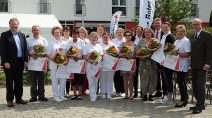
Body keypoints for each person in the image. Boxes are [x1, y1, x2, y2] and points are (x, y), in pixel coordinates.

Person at [0, 18, 28, 107]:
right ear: (9, 25)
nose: (14, 25)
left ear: (18, 25)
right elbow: (2, 50)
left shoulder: (22, 35)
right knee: (9, 81)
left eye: (16, 24)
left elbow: (24, 49)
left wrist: (25, 60)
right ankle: (9, 100)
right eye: (12, 24)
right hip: (9, 63)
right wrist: (5, 61)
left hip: (20, 61)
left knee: (19, 81)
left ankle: (19, 98)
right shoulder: (4, 35)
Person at [190, 18, 212, 114]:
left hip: (203, 65)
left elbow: (210, 51)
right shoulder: (192, 35)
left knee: (200, 86)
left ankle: (199, 106)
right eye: (193, 24)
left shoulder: (207, 35)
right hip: (193, 65)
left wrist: (208, 64)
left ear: (201, 24)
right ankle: (200, 103)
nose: (195, 26)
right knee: (194, 85)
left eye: (197, 24)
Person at [27, 25, 48, 102]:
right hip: (32, 64)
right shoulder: (28, 40)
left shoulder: (44, 40)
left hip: (41, 64)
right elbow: (25, 51)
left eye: (37, 30)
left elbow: (47, 52)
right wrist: (31, 54)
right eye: (34, 30)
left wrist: (39, 55)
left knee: (42, 81)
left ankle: (41, 95)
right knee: (33, 81)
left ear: (40, 31)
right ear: (32, 31)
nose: (36, 31)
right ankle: (33, 96)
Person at [47, 26, 68, 102]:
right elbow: (48, 54)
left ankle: (61, 95)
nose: (57, 33)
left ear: (61, 33)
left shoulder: (65, 43)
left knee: (63, 80)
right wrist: (56, 60)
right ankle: (55, 96)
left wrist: (66, 61)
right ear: (53, 34)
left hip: (63, 65)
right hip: (54, 65)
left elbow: (66, 54)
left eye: (59, 32)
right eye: (56, 32)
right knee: (55, 80)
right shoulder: (51, 43)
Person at [137, 28, 158, 101]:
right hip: (143, 63)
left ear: (151, 33)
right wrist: (140, 56)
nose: (147, 34)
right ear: (144, 33)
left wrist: (154, 51)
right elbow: (137, 52)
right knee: (144, 79)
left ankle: (151, 94)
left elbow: (159, 51)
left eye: (149, 32)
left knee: (152, 79)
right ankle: (144, 94)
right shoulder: (141, 41)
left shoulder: (155, 41)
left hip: (153, 63)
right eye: (145, 32)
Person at [83, 32, 104, 101]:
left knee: (96, 81)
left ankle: (94, 94)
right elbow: (84, 56)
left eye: (95, 37)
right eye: (92, 37)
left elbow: (101, 55)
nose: (94, 38)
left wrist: (97, 60)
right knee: (90, 81)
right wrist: (90, 61)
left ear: (97, 38)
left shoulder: (99, 46)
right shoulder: (86, 46)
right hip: (89, 65)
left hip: (97, 65)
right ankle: (92, 95)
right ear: (90, 38)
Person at [173, 25, 190, 107]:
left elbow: (187, 54)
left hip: (183, 64)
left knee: (181, 82)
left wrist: (177, 53)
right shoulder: (176, 41)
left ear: (184, 32)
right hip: (176, 64)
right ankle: (184, 99)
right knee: (180, 82)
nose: (179, 33)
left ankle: (184, 100)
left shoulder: (186, 41)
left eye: (181, 31)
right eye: (178, 31)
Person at [66, 28, 85, 100]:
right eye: (73, 34)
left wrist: (78, 58)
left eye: (76, 34)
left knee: (80, 79)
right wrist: (72, 56)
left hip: (79, 63)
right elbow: (67, 52)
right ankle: (74, 94)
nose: (75, 35)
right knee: (73, 79)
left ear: (78, 34)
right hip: (71, 63)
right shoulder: (69, 42)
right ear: (72, 34)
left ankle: (79, 94)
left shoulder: (82, 42)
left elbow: (84, 53)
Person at [159, 22, 175, 104]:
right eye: (163, 27)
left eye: (166, 27)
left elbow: (169, 50)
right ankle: (166, 96)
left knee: (168, 79)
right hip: (163, 61)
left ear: (169, 27)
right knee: (165, 80)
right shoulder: (164, 36)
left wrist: (163, 60)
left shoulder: (170, 36)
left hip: (167, 61)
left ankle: (169, 98)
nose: (164, 29)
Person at [99, 32, 117, 99]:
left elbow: (116, 54)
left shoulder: (112, 45)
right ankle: (103, 93)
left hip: (110, 65)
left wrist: (112, 53)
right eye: (104, 37)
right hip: (102, 65)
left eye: (107, 37)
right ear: (102, 38)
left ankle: (109, 93)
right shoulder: (99, 45)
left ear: (109, 37)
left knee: (110, 79)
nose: (105, 38)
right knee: (102, 80)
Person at [152, 18, 166, 98]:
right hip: (154, 57)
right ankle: (158, 91)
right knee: (156, 75)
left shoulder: (164, 33)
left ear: (161, 24)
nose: (157, 24)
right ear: (154, 24)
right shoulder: (153, 33)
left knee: (163, 75)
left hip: (162, 57)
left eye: (158, 23)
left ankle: (165, 92)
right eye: (156, 23)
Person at [119, 30, 135, 100]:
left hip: (131, 63)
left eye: (129, 35)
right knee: (125, 79)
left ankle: (131, 94)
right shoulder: (122, 44)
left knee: (131, 79)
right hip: (124, 63)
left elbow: (136, 54)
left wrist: (131, 56)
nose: (128, 36)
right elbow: (119, 54)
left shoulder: (134, 44)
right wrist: (125, 55)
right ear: (124, 36)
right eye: (126, 35)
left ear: (131, 36)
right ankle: (126, 94)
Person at [111, 28, 126, 96]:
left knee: (123, 76)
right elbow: (110, 50)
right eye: (118, 32)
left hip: (124, 61)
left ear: (123, 33)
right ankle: (117, 90)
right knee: (116, 76)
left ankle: (123, 91)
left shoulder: (125, 40)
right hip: (115, 61)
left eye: (120, 32)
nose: (119, 33)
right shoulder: (112, 41)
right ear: (116, 34)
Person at [132, 25, 143, 98]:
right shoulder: (132, 38)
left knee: (142, 76)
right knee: (135, 76)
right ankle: (135, 91)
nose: (138, 31)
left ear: (142, 31)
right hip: (134, 59)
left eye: (140, 30)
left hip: (143, 59)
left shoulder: (144, 38)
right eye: (137, 30)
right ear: (135, 31)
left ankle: (143, 92)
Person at [78, 27, 90, 95]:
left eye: (83, 32)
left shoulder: (88, 41)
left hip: (86, 60)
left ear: (85, 33)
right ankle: (79, 90)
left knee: (85, 76)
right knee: (79, 75)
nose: (82, 33)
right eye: (80, 32)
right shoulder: (77, 40)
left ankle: (84, 90)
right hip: (79, 60)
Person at [62, 26, 72, 96]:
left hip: (70, 60)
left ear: (69, 32)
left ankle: (67, 92)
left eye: (67, 31)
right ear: (63, 32)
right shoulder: (60, 39)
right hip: (61, 60)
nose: (66, 32)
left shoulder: (71, 40)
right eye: (65, 31)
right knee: (62, 76)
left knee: (68, 77)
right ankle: (62, 92)